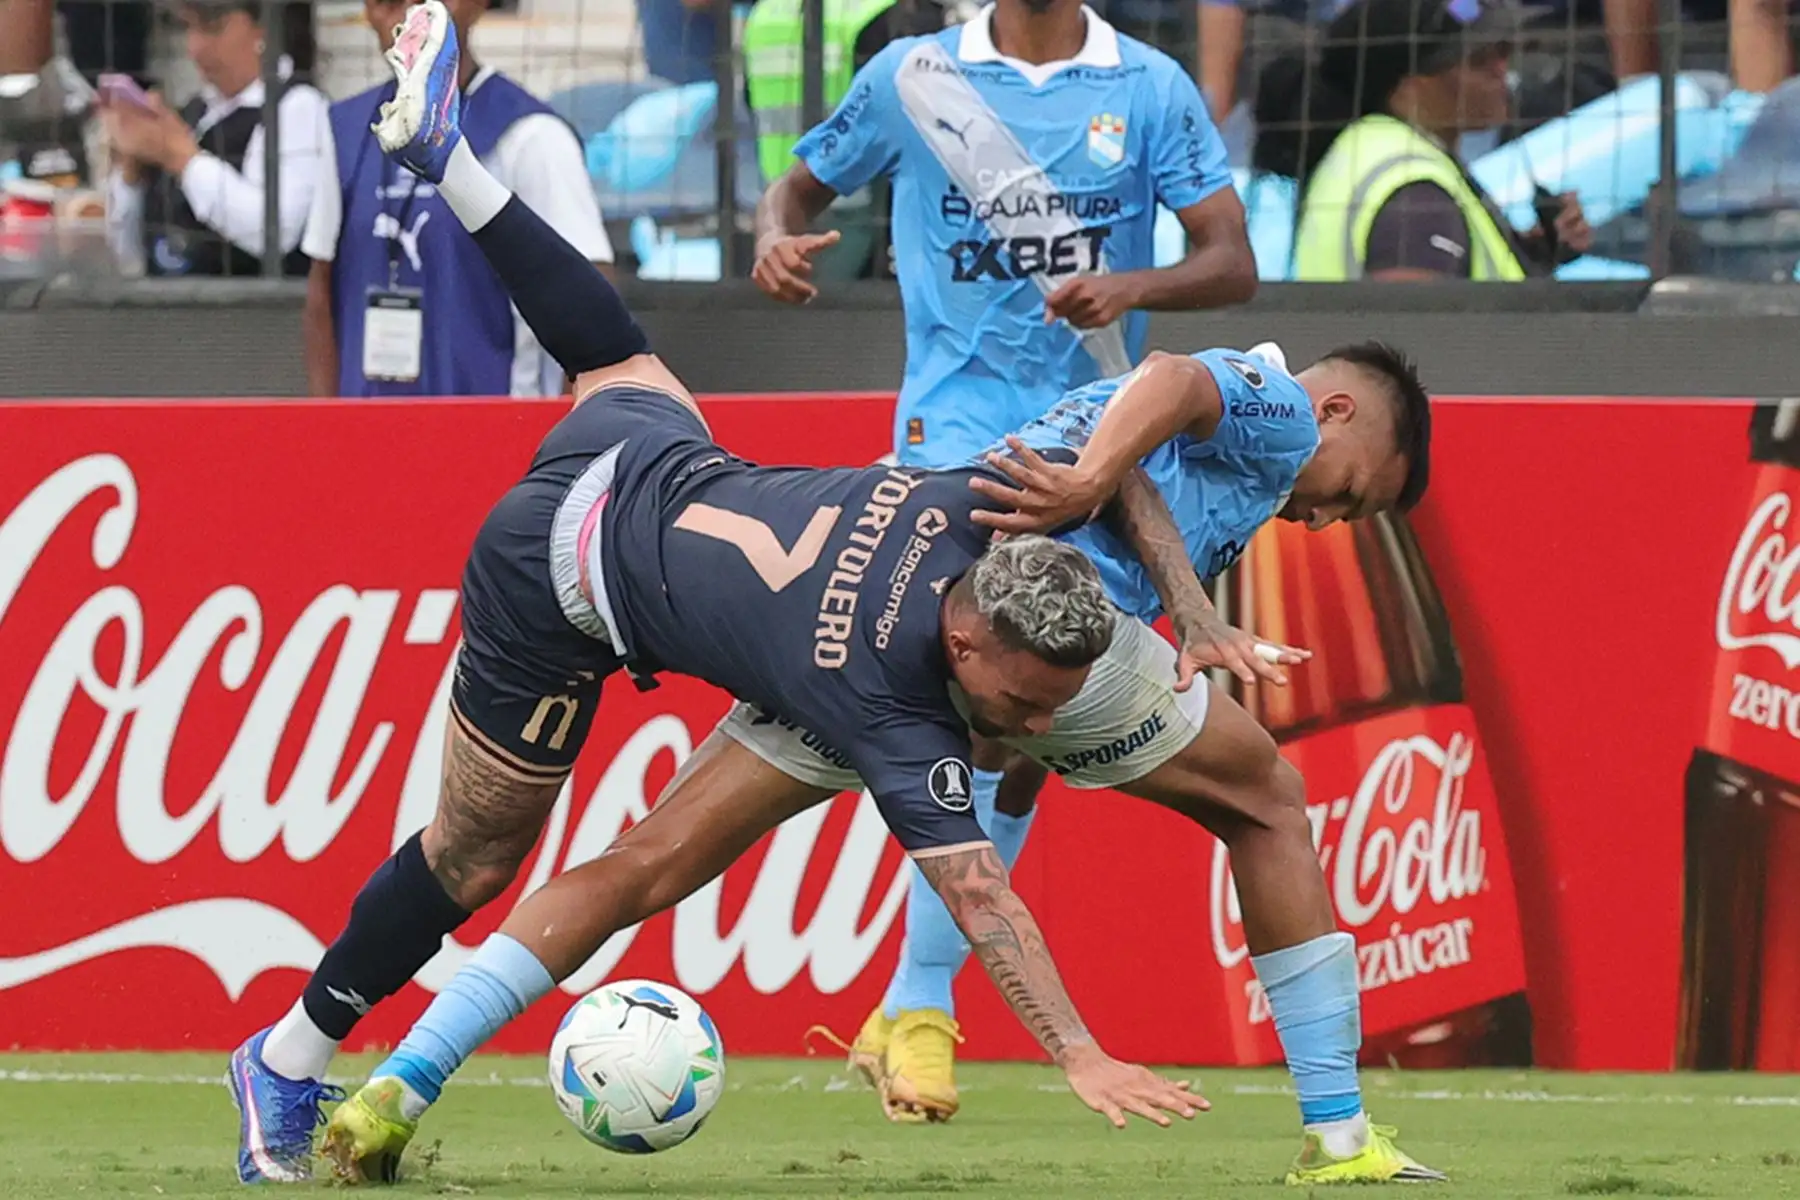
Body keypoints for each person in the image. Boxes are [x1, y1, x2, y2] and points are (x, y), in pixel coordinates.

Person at [228, 3, 1210, 1184]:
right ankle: (285, 1057)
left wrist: (1190, 609)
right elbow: (987, 900)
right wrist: (1081, 1056)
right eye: (1031, 696)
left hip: (646, 441)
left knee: (618, 355)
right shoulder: (888, 711)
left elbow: (1111, 442)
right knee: (476, 859)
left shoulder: (970, 499)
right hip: (554, 573)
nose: (1043, 724)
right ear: (961, 633)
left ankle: (449, 162)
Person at [321, 333, 1446, 1187]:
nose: (1336, 519)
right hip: (1045, 630)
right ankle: (1340, 1134)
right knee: (1267, 800)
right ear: (1340, 409)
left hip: (870, 623)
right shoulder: (1284, 413)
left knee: (649, 862)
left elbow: (1135, 462)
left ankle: (395, 1087)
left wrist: (1180, 590)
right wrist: (1079, 1053)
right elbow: (1165, 382)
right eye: (1359, 492)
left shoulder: (1227, 472)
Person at [752, 0, 1259, 1113]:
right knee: (965, 717)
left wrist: (1135, 287)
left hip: (1092, 453)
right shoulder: (912, 76)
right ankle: (926, 1008)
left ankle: (910, 1001)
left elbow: (1232, 262)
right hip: (952, 449)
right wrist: (774, 234)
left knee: (1028, 732)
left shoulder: (1149, 88)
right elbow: (800, 182)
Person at [299, 0, 612, 399]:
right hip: (370, 437)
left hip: (495, 436)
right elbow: (320, 295)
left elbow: (591, 299)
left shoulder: (531, 136)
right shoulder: (343, 130)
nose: (410, 10)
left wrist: (577, 441)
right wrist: (327, 431)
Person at [1256, 0, 1594, 281]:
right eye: (1478, 59)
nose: (1501, 70)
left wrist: (1531, 255)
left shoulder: (1370, 147)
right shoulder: (1413, 188)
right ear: (1410, 85)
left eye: (1503, 51)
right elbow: (1416, 337)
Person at [100, 0, 326, 278]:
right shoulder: (193, 112)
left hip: (250, 316)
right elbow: (128, 254)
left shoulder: (298, 107)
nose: (195, 48)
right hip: (163, 316)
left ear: (264, 30)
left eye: (213, 28)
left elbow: (276, 233)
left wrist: (182, 159)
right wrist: (130, 172)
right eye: (189, 28)